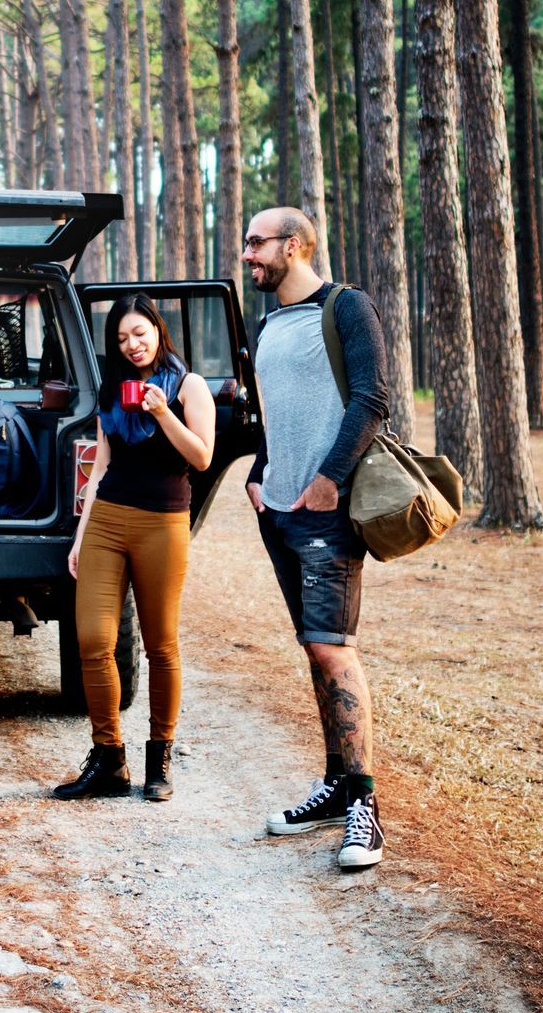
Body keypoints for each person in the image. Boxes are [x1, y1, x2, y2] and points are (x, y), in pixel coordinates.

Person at [241, 206, 390, 871]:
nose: (248, 255)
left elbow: (372, 399)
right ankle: (334, 786)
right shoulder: (270, 322)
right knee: (313, 650)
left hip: (327, 511)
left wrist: (329, 479)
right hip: (280, 510)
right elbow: (275, 416)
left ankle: (365, 807)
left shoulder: (347, 308)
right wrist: (256, 474)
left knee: (334, 651)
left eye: (256, 243)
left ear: (295, 246)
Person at [53, 292, 214, 804]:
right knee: (93, 641)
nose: (132, 344)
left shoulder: (190, 386)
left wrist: (165, 413)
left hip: (163, 523)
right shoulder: (112, 390)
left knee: (160, 643)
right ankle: (108, 760)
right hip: (107, 520)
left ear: (158, 331)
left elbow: (203, 456)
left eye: (139, 333)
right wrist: (81, 534)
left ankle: (159, 761)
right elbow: (100, 465)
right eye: (122, 338)